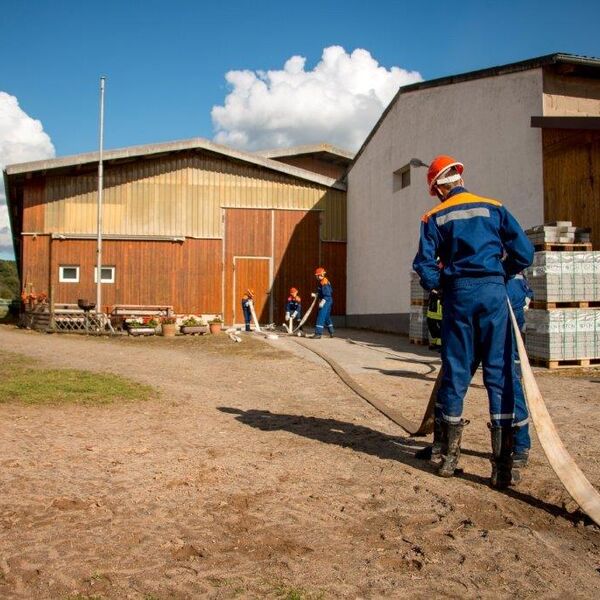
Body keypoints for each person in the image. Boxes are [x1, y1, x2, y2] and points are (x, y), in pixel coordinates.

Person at [413, 155, 534, 489]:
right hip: (495, 295)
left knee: (456, 373)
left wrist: (441, 283)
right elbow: (524, 252)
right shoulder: (494, 207)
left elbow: (423, 265)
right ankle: (503, 468)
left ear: (437, 188)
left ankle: (447, 459)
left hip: (459, 299)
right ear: (460, 179)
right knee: (501, 377)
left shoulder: (434, 217)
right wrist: (498, 275)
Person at [507, 273, 534, 475]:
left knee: (510, 383)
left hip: (505, 311)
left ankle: (520, 444)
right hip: (471, 309)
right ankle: (443, 443)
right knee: (453, 383)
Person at [310, 267, 334, 339]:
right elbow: (322, 293)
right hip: (328, 300)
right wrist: (316, 295)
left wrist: (323, 301)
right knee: (326, 316)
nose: (316, 277)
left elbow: (328, 294)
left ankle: (318, 333)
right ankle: (331, 331)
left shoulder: (324, 282)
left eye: (316, 275)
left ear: (319, 275)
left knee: (321, 315)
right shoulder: (322, 282)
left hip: (326, 300)